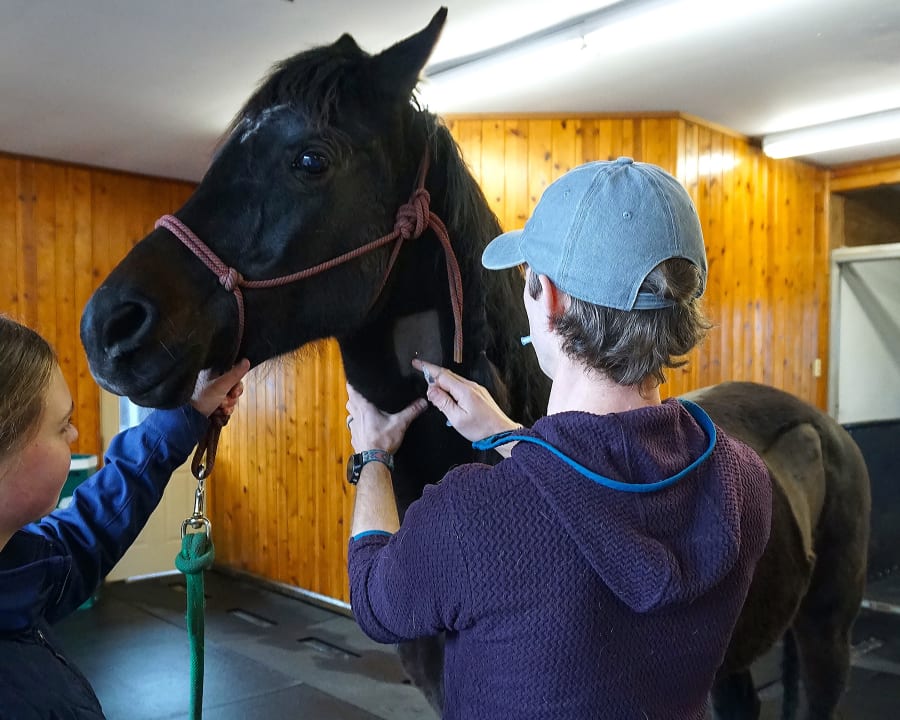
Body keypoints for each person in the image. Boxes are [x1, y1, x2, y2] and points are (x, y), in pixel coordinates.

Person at [343, 157, 773, 719]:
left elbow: (375, 599)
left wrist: (372, 453)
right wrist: (508, 436)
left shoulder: (477, 513)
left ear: (548, 297)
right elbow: (606, 502)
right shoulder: (743, 481)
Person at [0, 314, 250, 719]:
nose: (75, 435)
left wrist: (188, 413)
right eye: (62, 426)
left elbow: (88, 530)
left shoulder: (18, 569)